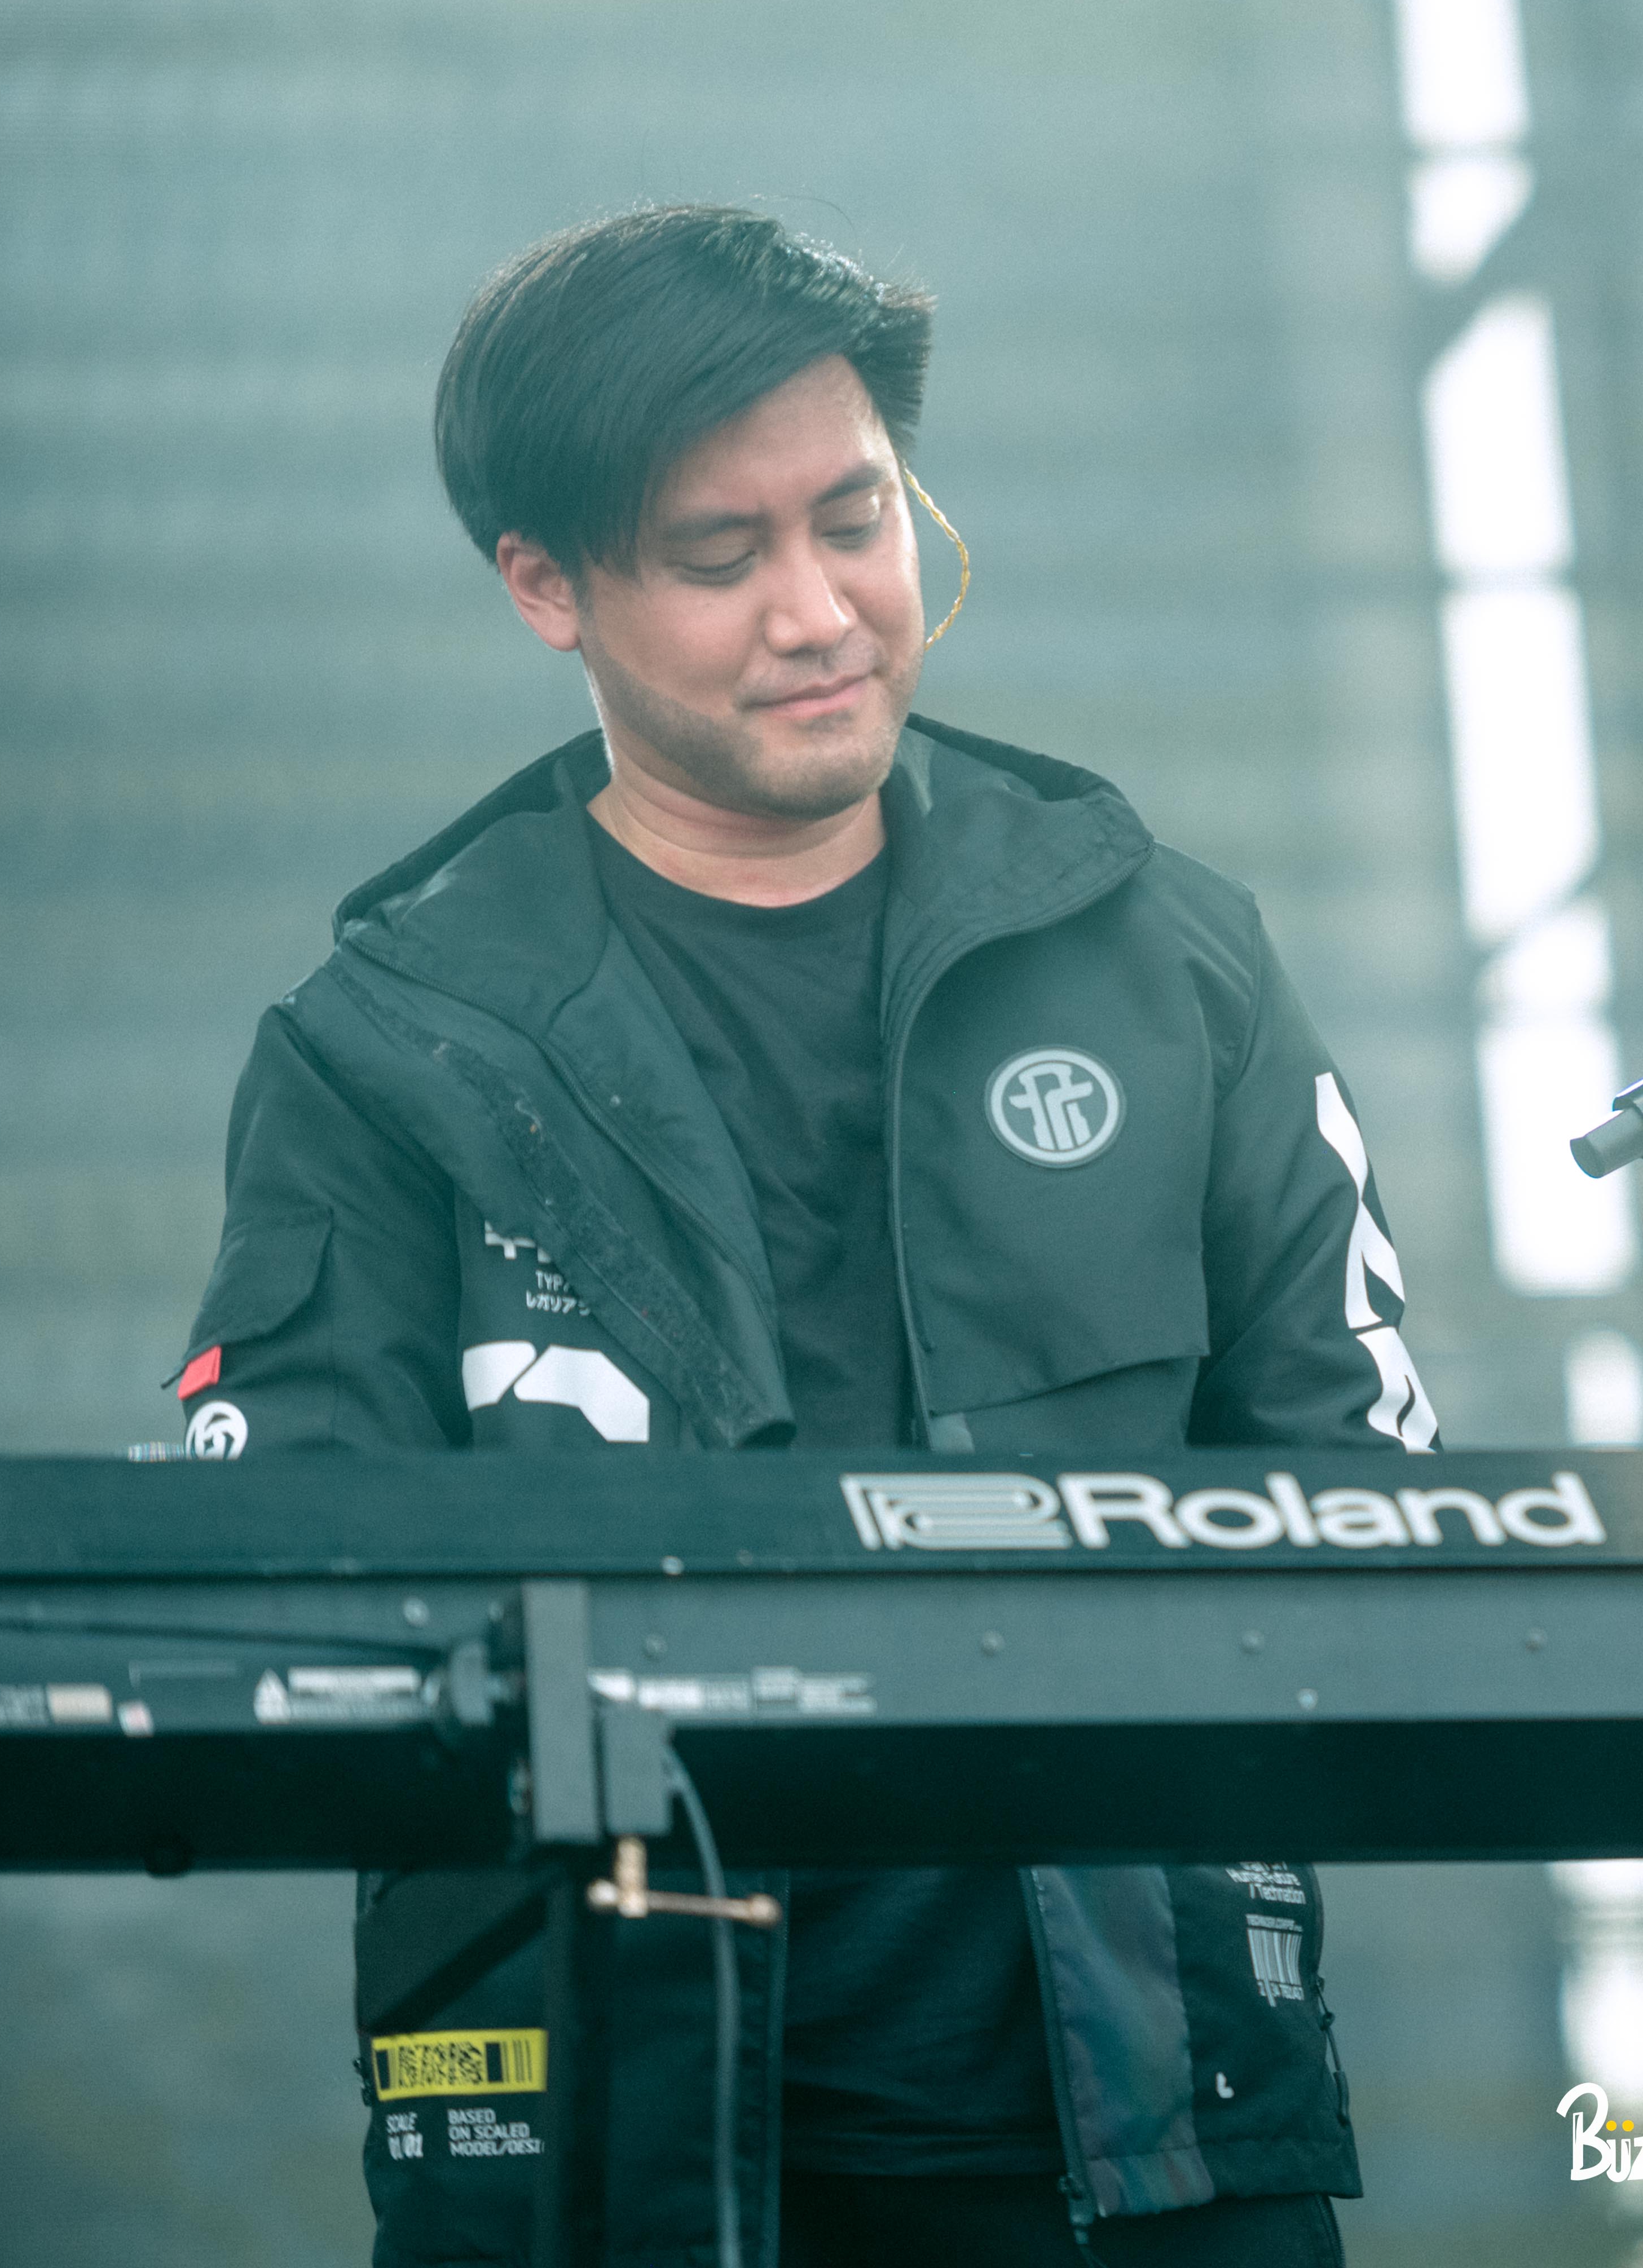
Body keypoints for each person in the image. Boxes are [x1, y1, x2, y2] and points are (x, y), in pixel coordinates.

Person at [174, 206, 1432, 2268]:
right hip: (596, 2170)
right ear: (545, 585)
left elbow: (1368, 1515)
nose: (822, 608)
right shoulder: (388, 1048)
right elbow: (281, 1624)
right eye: (719, 555)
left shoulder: (1173, 960)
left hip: (1167, 2148)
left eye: (856, 519)